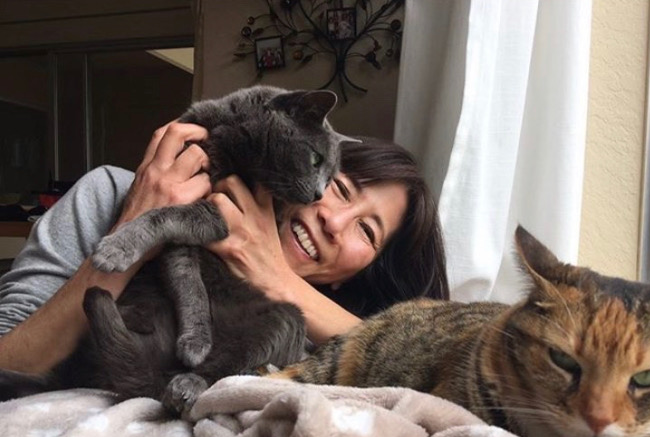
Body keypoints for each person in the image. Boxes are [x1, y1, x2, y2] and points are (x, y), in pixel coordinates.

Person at [0, 122, 449, 375]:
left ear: (353, 276)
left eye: (367, 232)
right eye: (341, 189)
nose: (333, 221)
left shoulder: (325, 338)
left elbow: (435, 373)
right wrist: (136, 230)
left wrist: (274, 278)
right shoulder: (110, 195)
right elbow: (11, 361)